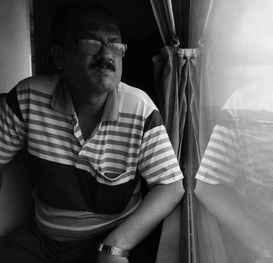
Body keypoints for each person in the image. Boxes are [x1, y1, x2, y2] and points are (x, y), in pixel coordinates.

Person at [0, 3, 184, 263]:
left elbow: (170, 187)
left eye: (116, 46)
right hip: (41, 240)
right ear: (59, 56)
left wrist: (116, 245)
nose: (106, 54)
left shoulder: (139, 108)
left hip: (105, 239)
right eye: (90, 42)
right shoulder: (27, 97)